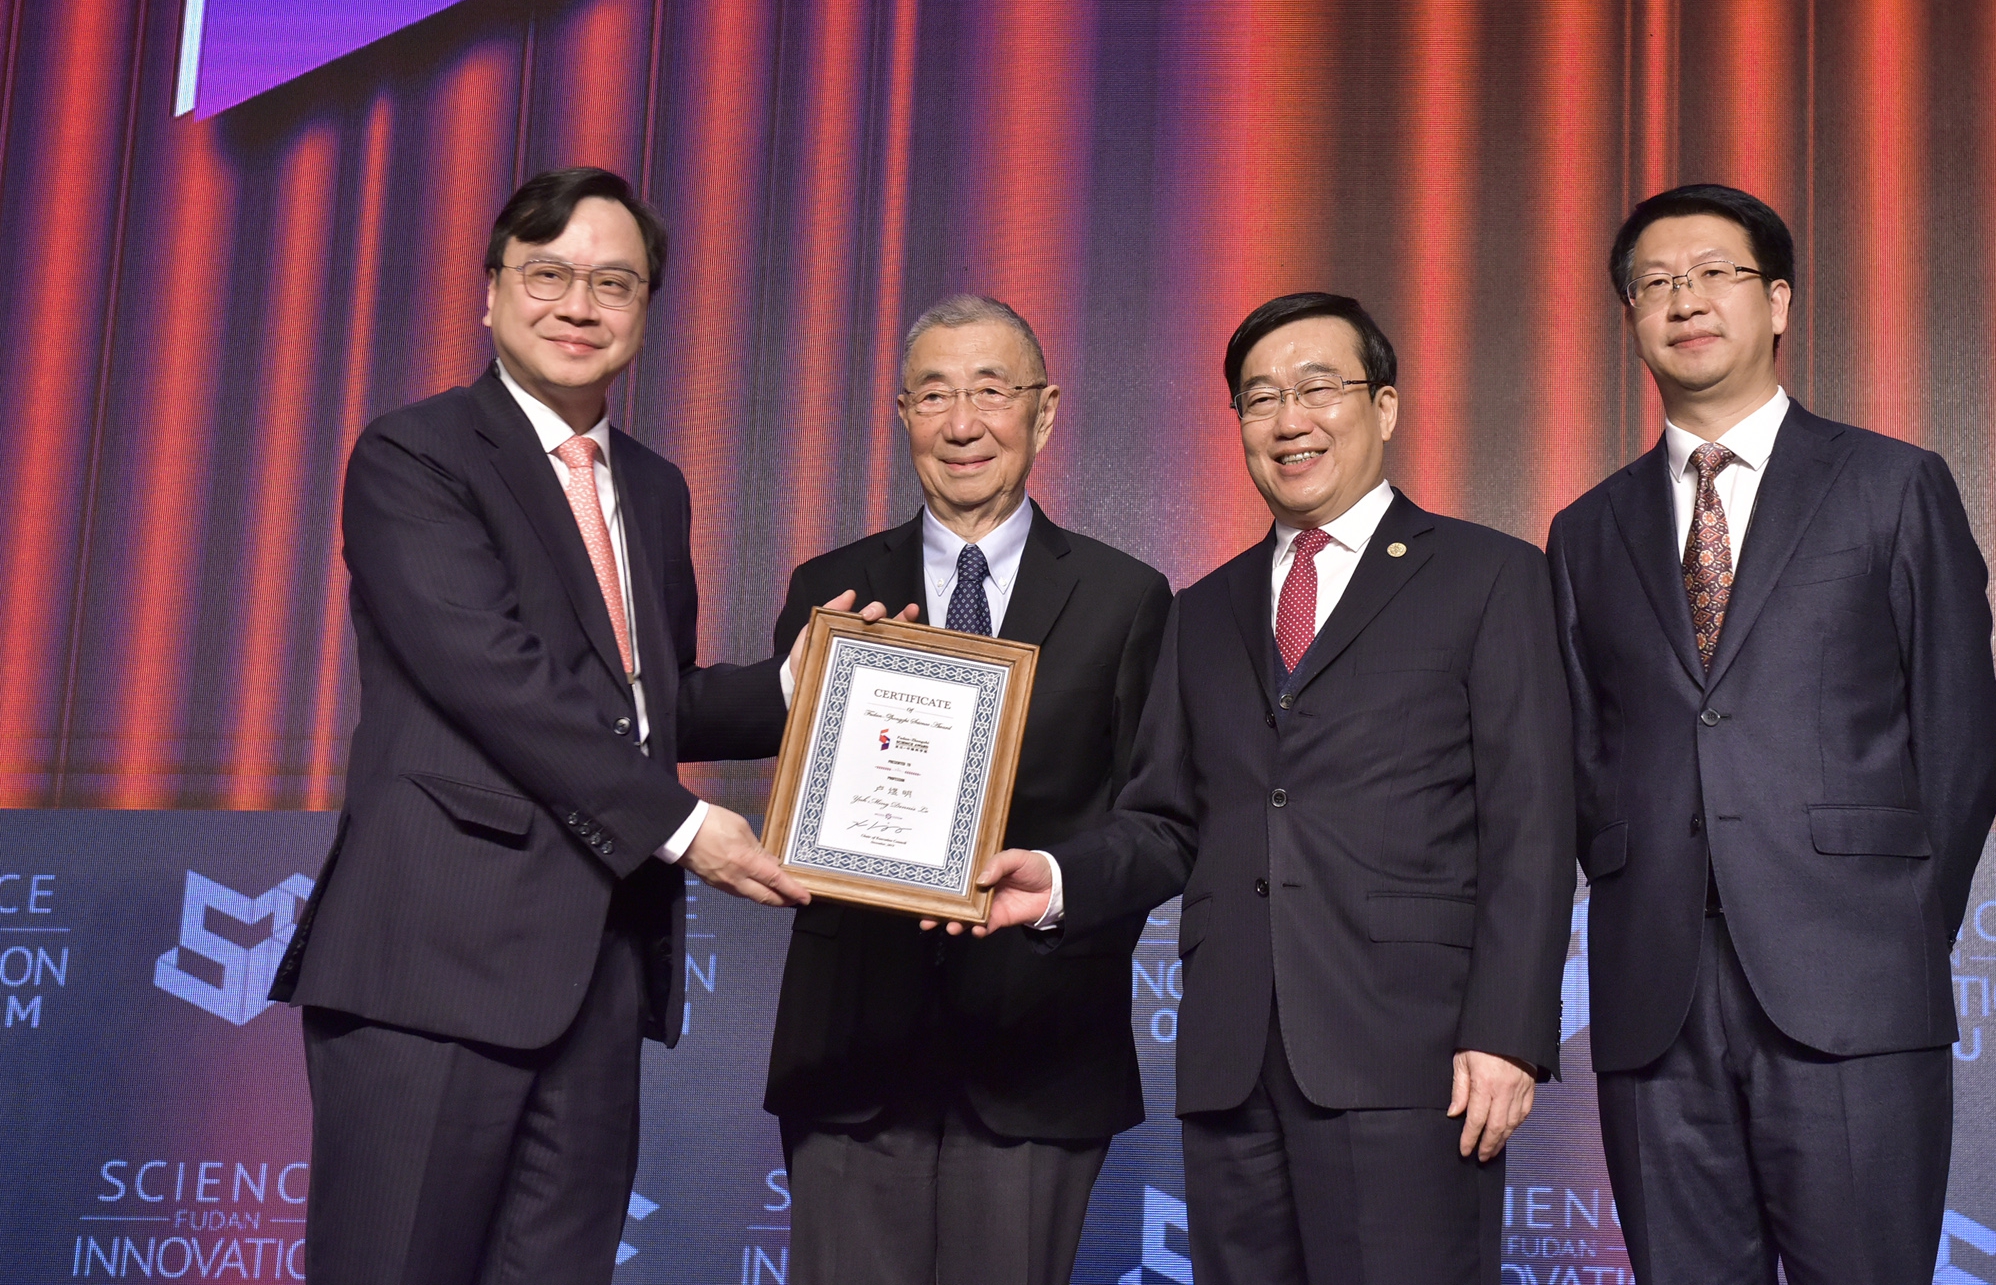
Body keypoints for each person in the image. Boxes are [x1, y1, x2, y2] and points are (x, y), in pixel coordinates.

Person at [271, 167, 876, 1285]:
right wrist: (689, 828)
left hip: (597, 966)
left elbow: (639, 703)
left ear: (645, 310)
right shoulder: (415, 453)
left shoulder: (651, 485)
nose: (578, 305)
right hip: (434, 960)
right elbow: (492, 677)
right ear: (489, 292)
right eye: (546, 274)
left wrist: (795, 688)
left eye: (613, 281)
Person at [969, 291, 1575, 1285]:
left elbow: (1533, 822)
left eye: (1317, 388)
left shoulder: (1489, 576)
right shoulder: (1202, 610)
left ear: (1383, 406)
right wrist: (1057, 878)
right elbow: (1166, 821)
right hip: (1231, 1063)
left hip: (1411, 1062)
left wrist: (1507, 1034)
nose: (1287, 418)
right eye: (1259, 399)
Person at [1545, 184, 1996, 1284]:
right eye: (1653, 283)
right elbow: (1583, 754)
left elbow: (1959, 744)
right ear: (1629, 320)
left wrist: (1886, 927)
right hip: (1653, 997)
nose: (1683, 299)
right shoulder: (1584, 527)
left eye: (1713, 273)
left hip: (1850, 983)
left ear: (1779, 300)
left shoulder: (1893, 484)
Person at [760, 293, 1173, 1285]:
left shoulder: (1128, 599)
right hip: (853, 1051)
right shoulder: (830, 590)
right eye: (934, 393)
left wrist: (1058, 879)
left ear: (1044, 409)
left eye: (990, 390)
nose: (962, 422)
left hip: (1040, 1055)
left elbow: (1163, 823)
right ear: (902, 412)